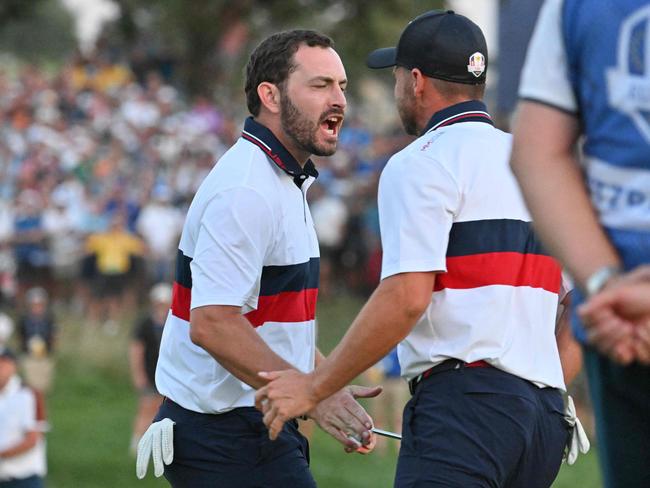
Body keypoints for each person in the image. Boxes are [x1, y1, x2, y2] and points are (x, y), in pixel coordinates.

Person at [256, 10, 587, 487]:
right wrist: (552, 384)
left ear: (415, 81)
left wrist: (315, 386)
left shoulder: (419, 163)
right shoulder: (541, 164)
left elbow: (408, 297)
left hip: (465, 409)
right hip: (544, 420)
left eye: (394, 78)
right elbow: (581, 302)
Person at [135, 30, 380, 487]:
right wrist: (313, 393)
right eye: (320, 85)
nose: (338, 100)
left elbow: (268, 322)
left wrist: (323, 383)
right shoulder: (246, 190)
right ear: (270, 94)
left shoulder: (283, 181)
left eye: (342, 86)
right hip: (223, 436)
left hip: (249, 430)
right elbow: (212, 322)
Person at [509, 1, 650, 486]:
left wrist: (606, 284)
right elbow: (536, 152)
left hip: (622, 317)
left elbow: (537, 151)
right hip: (624, 325)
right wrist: (610, 287)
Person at [129, 283, 171, 454]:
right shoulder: (145, 323)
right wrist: (138, 374)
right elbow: (136, 349)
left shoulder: (172, 321)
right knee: (146, 408)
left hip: (167, 375)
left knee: (164, 410)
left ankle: (159, 445)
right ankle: (137, 443)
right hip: (149, 372)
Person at [0, 347, 47, 488]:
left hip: (23, 477)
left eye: (2, 363)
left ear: (13, 365)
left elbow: (33, 438)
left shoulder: (30, 394)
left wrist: (2, 454)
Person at [17, 288, 56, 395]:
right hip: (29, 355)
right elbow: (21, 336)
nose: (37, 307)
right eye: (34, 305)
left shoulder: (49, 319)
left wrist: (50, 350)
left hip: (45, 355)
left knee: (43, 382)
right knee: (31, 382)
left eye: (40, 305)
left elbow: (53, 336)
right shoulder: (24, 319)